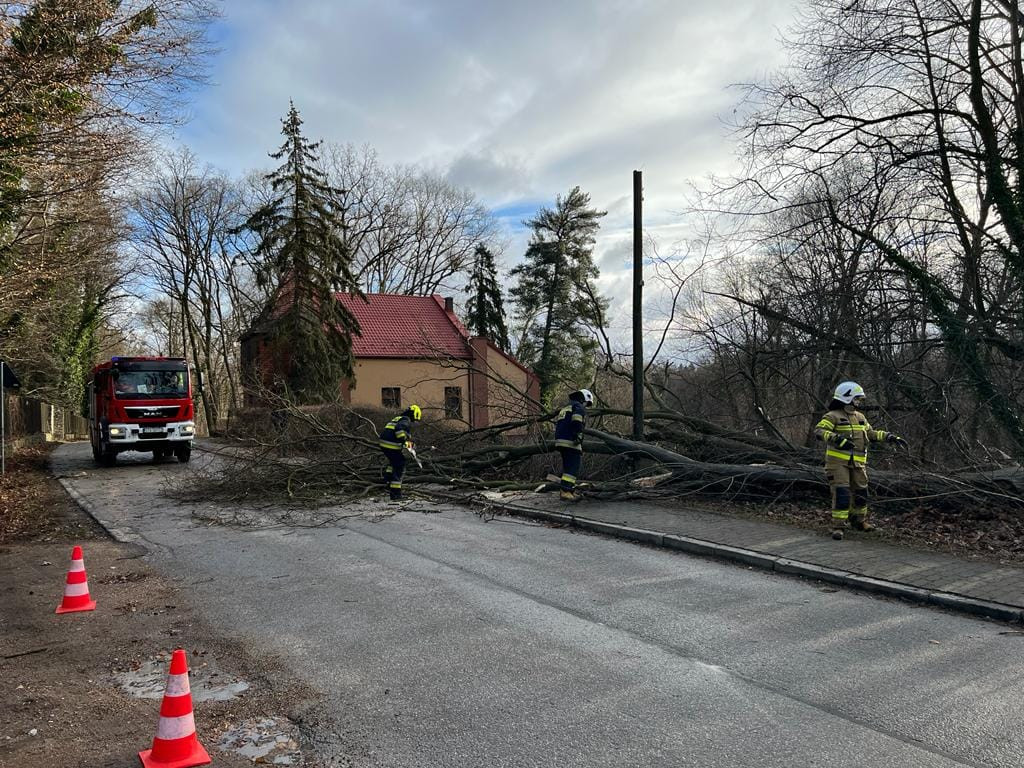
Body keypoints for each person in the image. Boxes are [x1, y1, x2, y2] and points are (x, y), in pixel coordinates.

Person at [814, 381, 907, 540]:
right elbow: (819, 430)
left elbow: (871, 433)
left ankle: (859, 522)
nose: (859, 402)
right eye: (857, 399)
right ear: (847, 397)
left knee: (861, 493)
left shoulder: (860, 417)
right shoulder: (832, 416)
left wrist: (889, 437)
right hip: (837, 464)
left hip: (858, 463)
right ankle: (838, 526)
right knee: (842, 493)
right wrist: (837, 439)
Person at [554, 388, 594, 501]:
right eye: (587, 403)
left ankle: (566, 491)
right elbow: (577, 420)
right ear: (584, 399)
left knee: (567, 468)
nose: (586, 406)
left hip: (560, 441)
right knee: (573, 467)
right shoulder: (578, 407)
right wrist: (578, 435)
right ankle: (566, 491)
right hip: (570, 441)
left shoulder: (567, 406)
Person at [378, 404, 422, 501]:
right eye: (415, 419)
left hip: (384, 443)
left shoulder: (399, 418)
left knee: (393, 462)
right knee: (400, 466)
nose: (414, 422)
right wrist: (404, 442)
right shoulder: (405, 420)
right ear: (414, 414)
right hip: (391, 444)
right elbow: (399, 430)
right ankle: (396, 495)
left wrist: (407, 441)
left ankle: (388, 478)